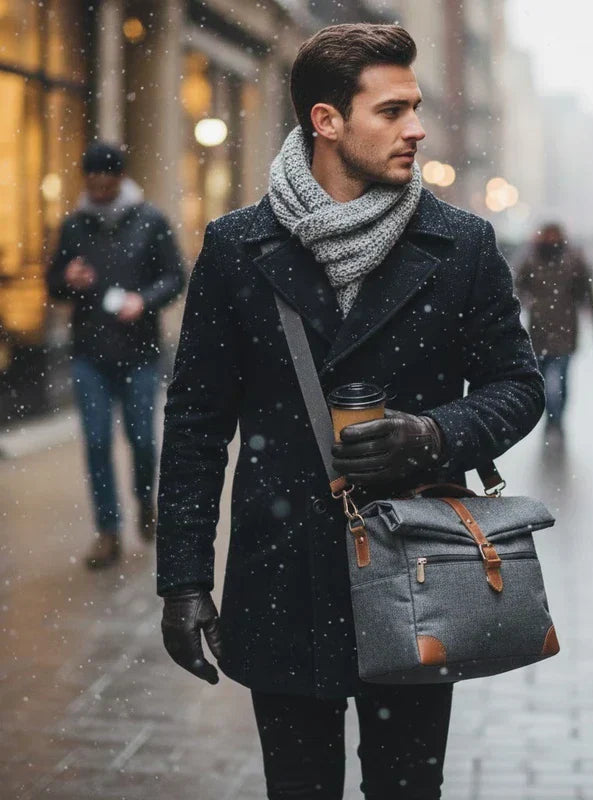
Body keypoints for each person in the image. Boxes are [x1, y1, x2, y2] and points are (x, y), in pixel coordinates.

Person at [156, 23, 544, 800]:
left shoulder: (460, 245)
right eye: (392, 110)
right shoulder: (238, 248)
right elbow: (196, 424)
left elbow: (519, 386)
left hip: (418, 570)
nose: (417, 128)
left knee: (408, 789)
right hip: (283, 572)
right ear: (326, 121)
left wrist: (435, 434)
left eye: (417, 107)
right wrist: (184, 579)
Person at [46, 142, 185, 568]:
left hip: (140, 352)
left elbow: (175, 276)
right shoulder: (74, 225)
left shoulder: (150, 220)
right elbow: (53, 283)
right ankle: (107, 531)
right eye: (93, 183)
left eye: (107, 183)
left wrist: (143, 301)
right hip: (89, 353)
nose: (101, 190)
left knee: (142, 440)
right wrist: (67, 278)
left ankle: (146, 502)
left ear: (121, 178)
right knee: (96, 441)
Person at [514, 223, 593, 435]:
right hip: (539, 331)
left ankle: (557, 417)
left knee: (560, 379)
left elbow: (587, 291)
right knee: (542, 380)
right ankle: (550, 417)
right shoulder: (532, 260)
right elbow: (518, 286)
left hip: (565, 330)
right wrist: (527, 303)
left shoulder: (573, 260)